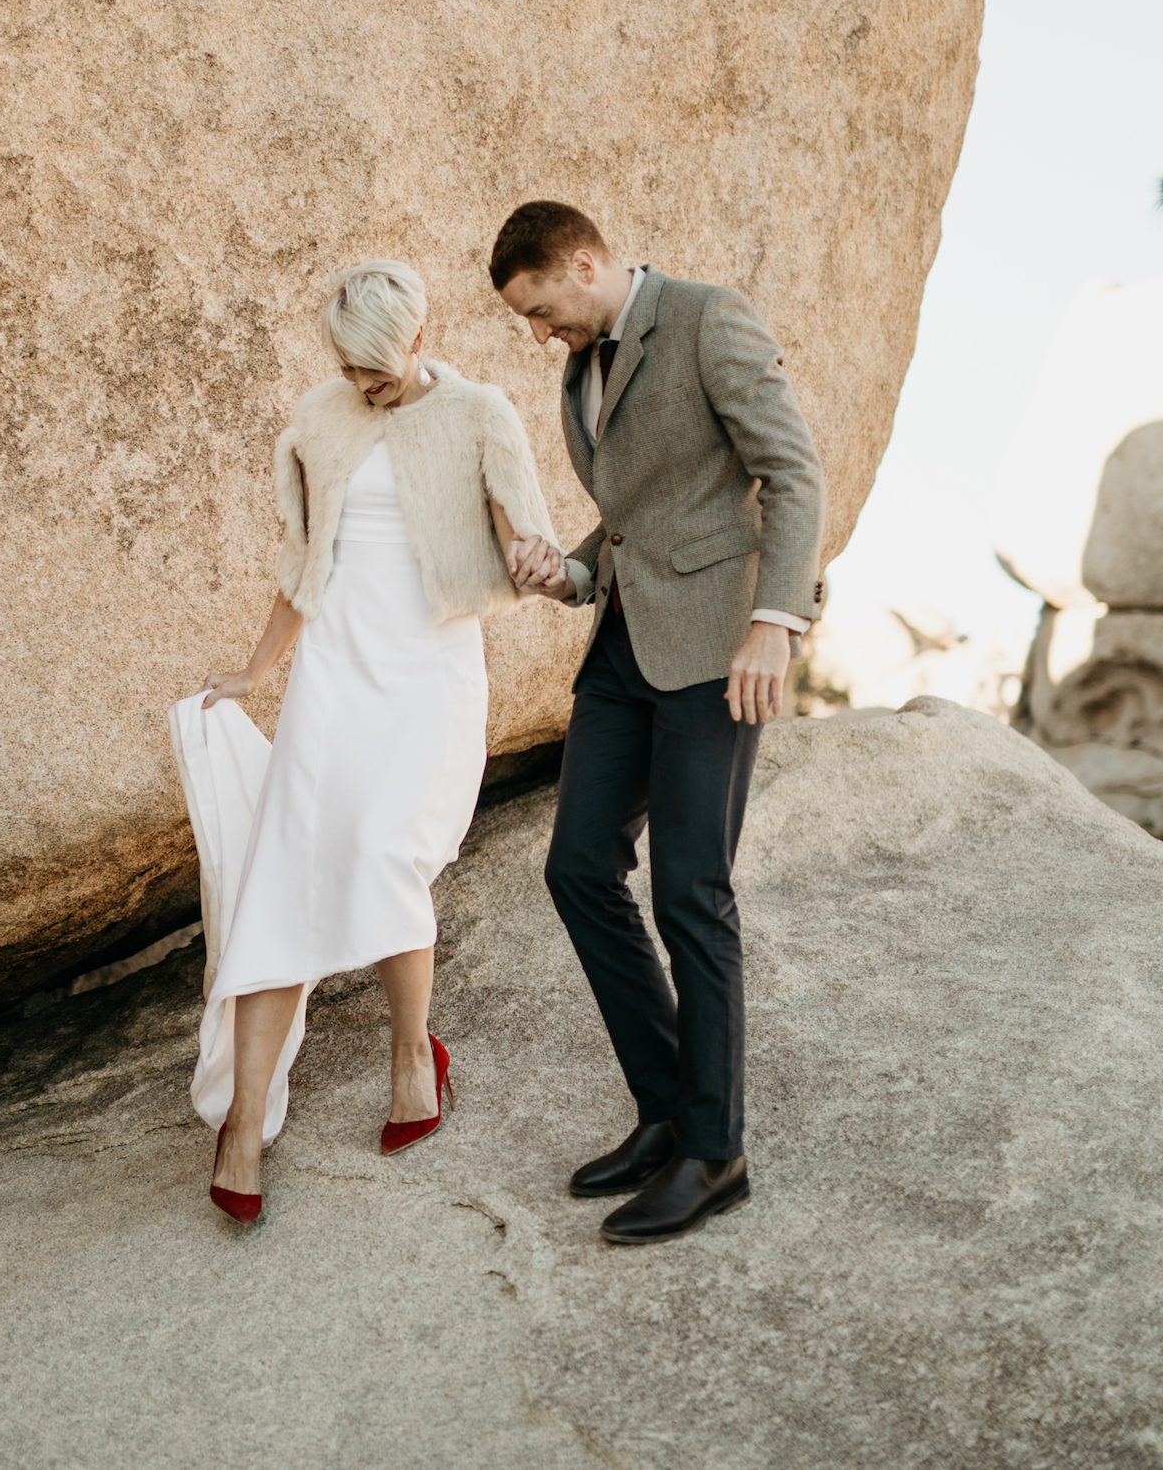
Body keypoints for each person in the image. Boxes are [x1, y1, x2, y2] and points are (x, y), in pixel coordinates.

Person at [186, 259, 563, 1226]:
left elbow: (530, 545)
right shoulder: (320, 417)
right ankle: (240, 1128)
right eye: (349, 370)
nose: (363, 387)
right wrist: (256, 672)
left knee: (384, 856)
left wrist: (534, 558)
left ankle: (412, 1059)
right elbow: (300, 561)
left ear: (421, 339)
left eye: (377, 371)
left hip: (428, 679)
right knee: (284, 874)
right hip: (334, 678)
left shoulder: (481, 413)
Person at [494, 200, 825, 1245]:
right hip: (623, 654)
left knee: (692, 891)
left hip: (718, 652)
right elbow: (640, 510)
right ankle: (664, 1110)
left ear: (585, 264)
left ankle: (714, 1148)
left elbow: (792, 471)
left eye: (543, 310)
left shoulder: (708, 319)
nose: (539, 336)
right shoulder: (580, 363)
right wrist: (574, 567)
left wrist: (776, 619)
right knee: (577, 867)